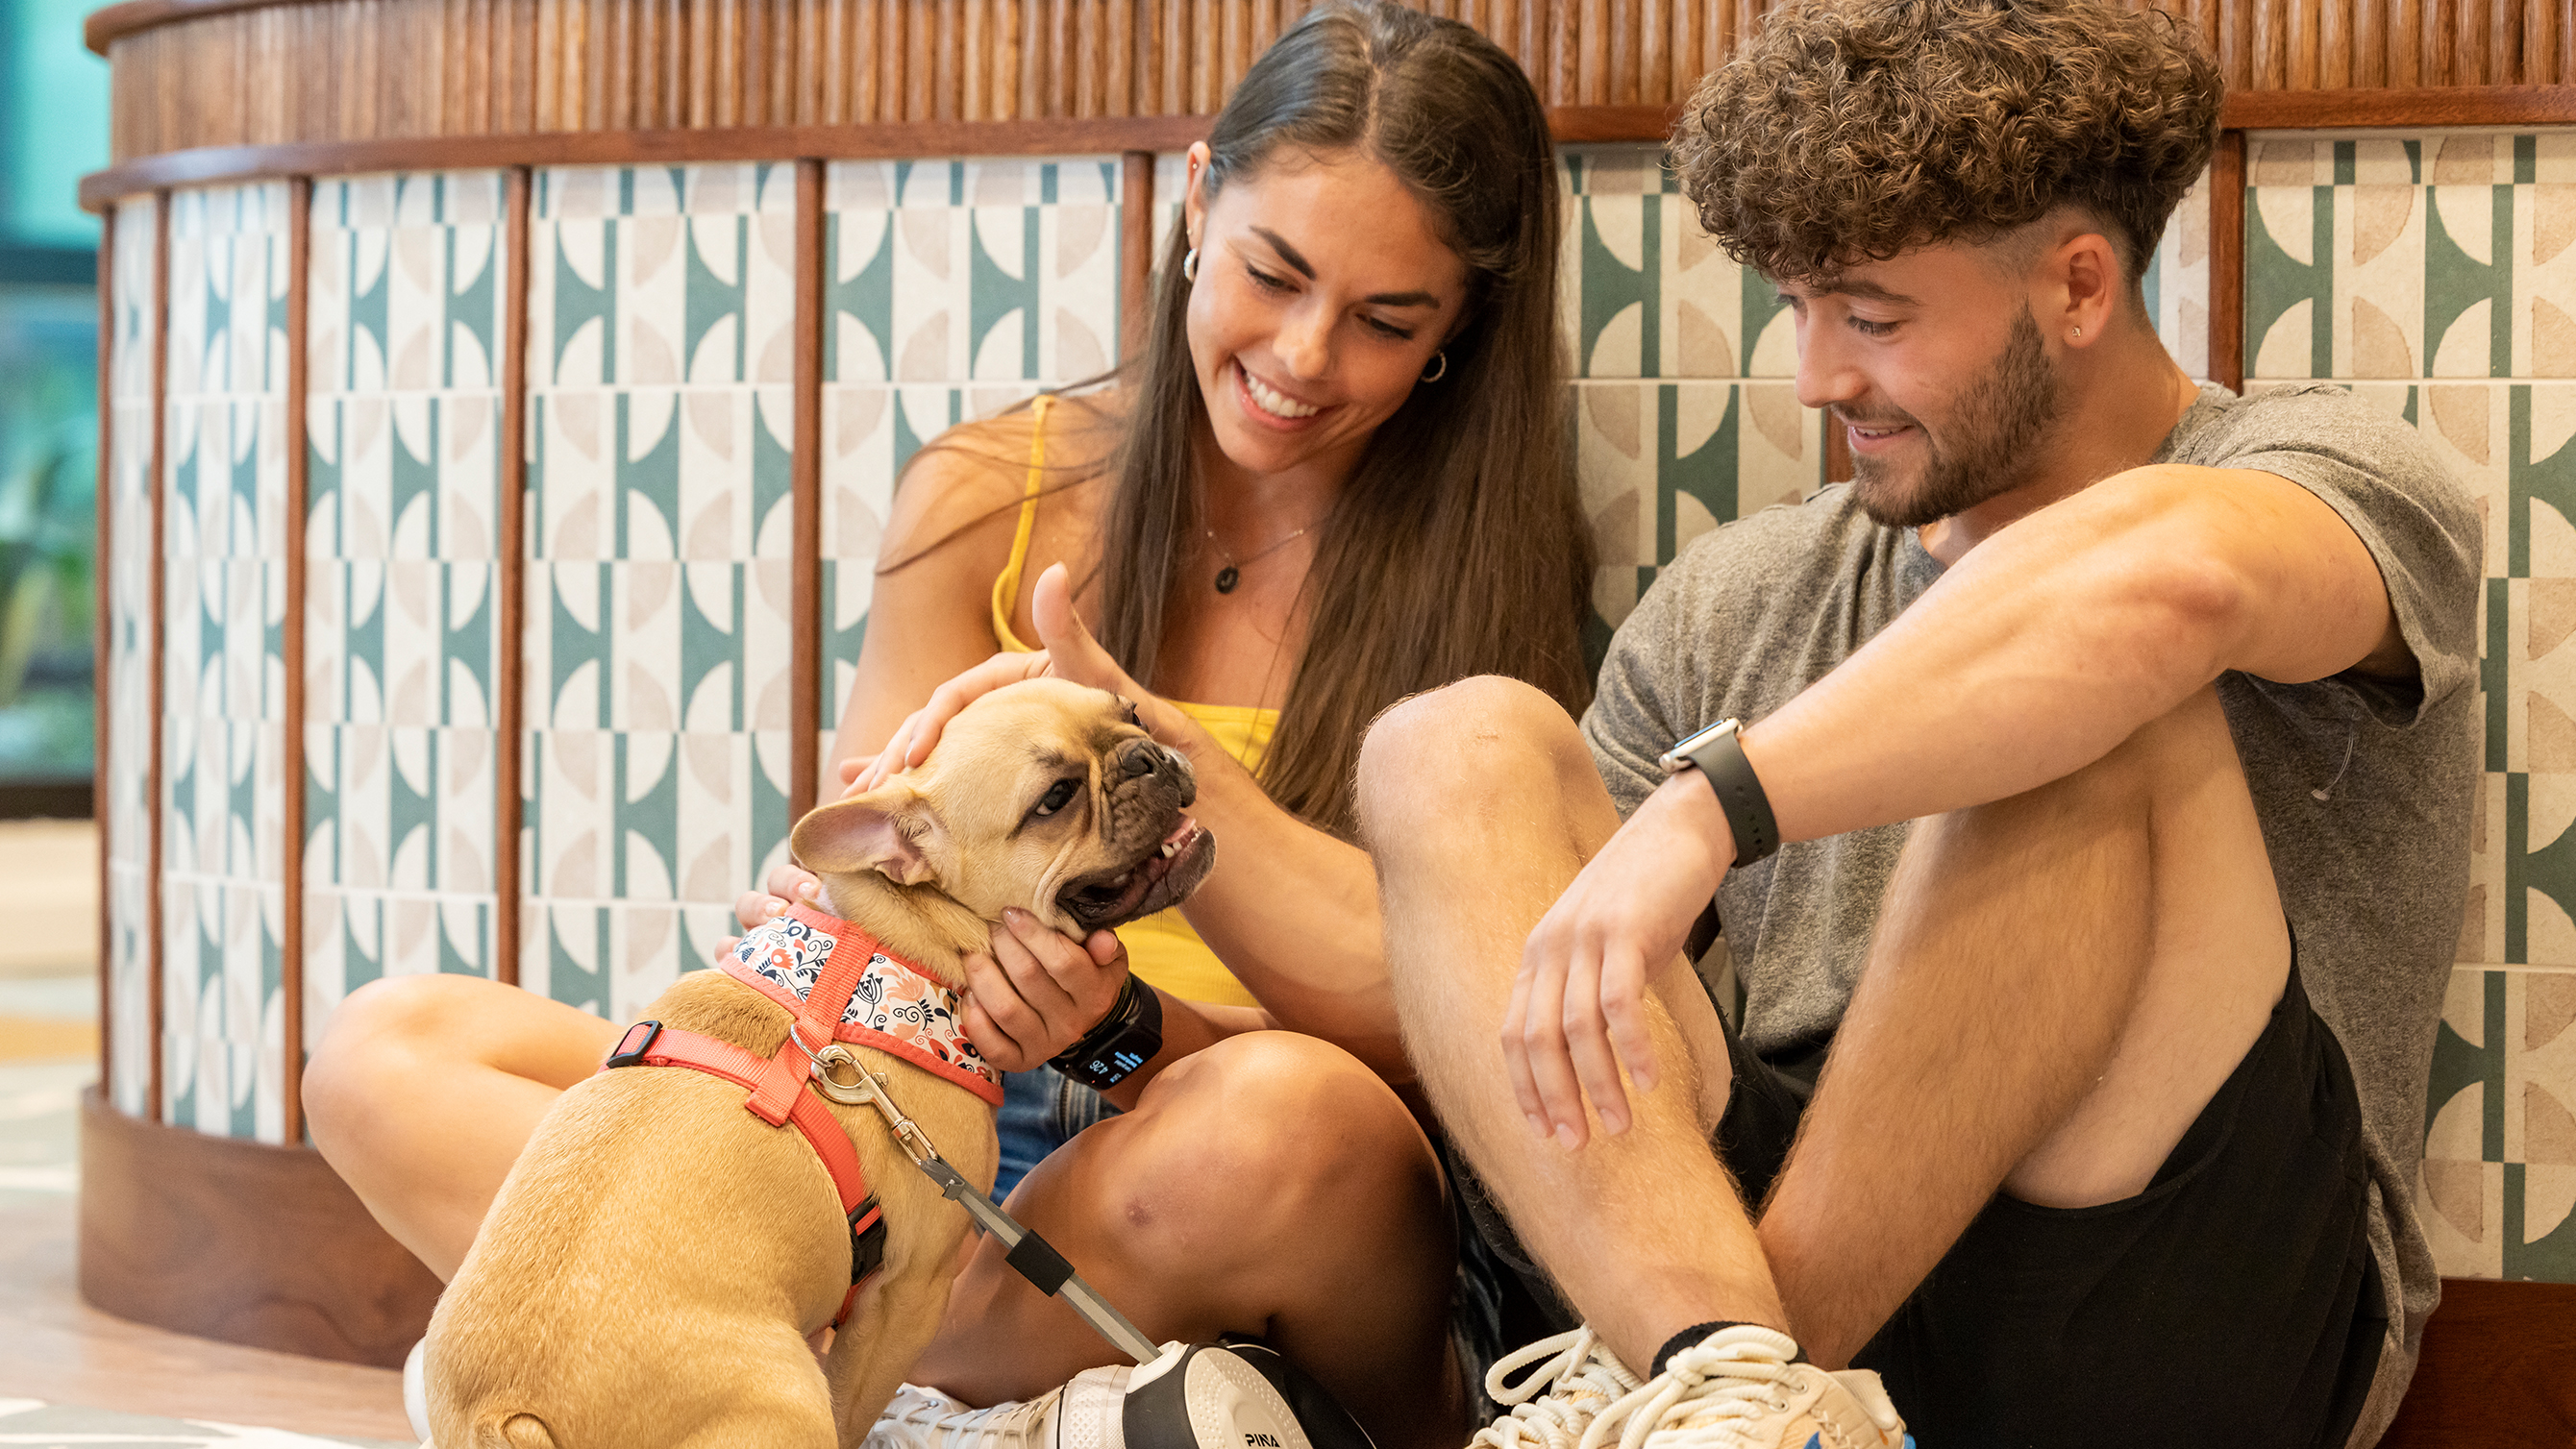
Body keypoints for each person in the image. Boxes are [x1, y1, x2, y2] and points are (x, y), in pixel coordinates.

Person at [302, 7, 1589, 1448]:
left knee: (1294, 1119)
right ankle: (915, 1394)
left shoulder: (1491, 580)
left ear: (1462, 326)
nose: (1300, 353)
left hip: (1202, 1159)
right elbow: (849, 895)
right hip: (898, 1135)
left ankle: (807, 1380)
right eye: (1270, 274)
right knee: (386, 1049)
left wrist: (1119, 1022)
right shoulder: (996, 491)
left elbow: (1440, 1034)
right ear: (1195, 199)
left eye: (1384, 320)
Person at [1351, 3, 2476, 1447]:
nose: (1818, 378)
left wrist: (1713, 807)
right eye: (1798, 310)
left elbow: (2160, 588)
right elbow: (1504, 963)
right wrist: (1160, 939)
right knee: (1449, 744)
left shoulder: (2337, 478)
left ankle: (1747, 1387)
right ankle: (1731, 1384)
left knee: (2100, 707)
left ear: (2078, 287)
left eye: (1872, 318)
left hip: (2161, 1279)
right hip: (1744, 1253)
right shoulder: (1739, 596)